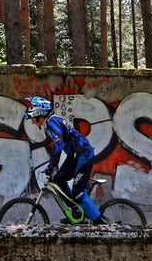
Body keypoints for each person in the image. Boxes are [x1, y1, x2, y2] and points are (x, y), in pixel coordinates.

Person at [24, 95, 104, 224]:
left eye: (33, 118)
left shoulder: (52, 121)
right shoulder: (51, 121)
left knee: (78, 193)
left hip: (84, 153)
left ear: (39, 112)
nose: (33, 121)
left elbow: (58, 145)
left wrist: (52, 165)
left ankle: (100, 223)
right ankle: (75, 211)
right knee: (59, 179)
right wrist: (52, 166)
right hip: (75, 154)